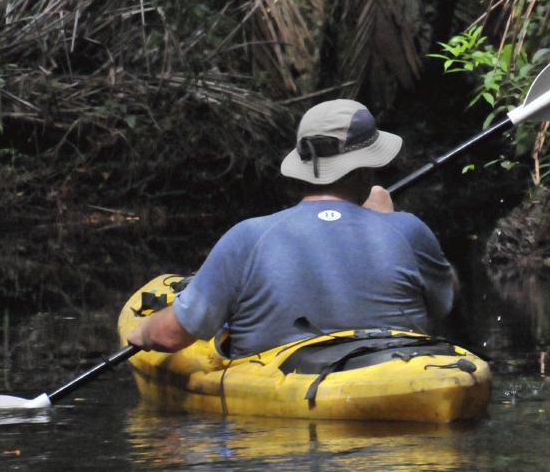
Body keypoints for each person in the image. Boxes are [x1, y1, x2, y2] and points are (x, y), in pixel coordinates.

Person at [126, 98, 456, 356]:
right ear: (367, 169)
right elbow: (446, 300)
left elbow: (169, 336)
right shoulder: (408, 230)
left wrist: (139, 331)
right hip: (397, 375)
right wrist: (387, 222)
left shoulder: (248, 237)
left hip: (285, 410)